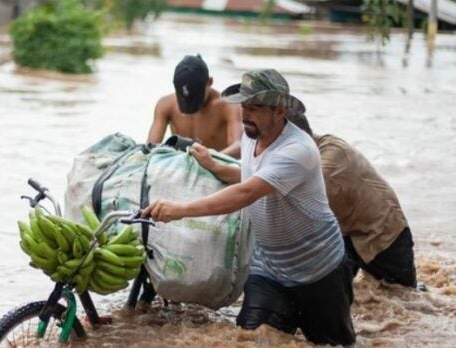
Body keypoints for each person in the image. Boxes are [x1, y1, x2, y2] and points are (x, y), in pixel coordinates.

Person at [143, 69, 356, 346]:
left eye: (254, 107)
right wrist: (215, 165)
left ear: (280, 111)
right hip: (269, 267)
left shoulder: (297, 150)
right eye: (243, 106)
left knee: (333, 344)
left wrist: (180, 210)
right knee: (251, 338)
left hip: (318, 269)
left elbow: (246, 193)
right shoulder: (251, 135)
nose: (245, 114)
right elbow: (250, 175)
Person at [284, 110, 418, 288]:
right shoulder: (308, 153)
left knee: (404, 296)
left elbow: (292, 195)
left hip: (383, 234)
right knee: (351, 298)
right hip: (346, 237)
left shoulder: (332, 156)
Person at [147, 54, 242, 157]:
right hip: (181, 165)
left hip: (215, 165)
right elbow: (151, 146)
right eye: (184, 99)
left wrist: (209, 159)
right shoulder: (166, 105)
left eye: (195, 97)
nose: (189, 103)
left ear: (209, 82)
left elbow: (239, 147)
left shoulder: (228, 107)